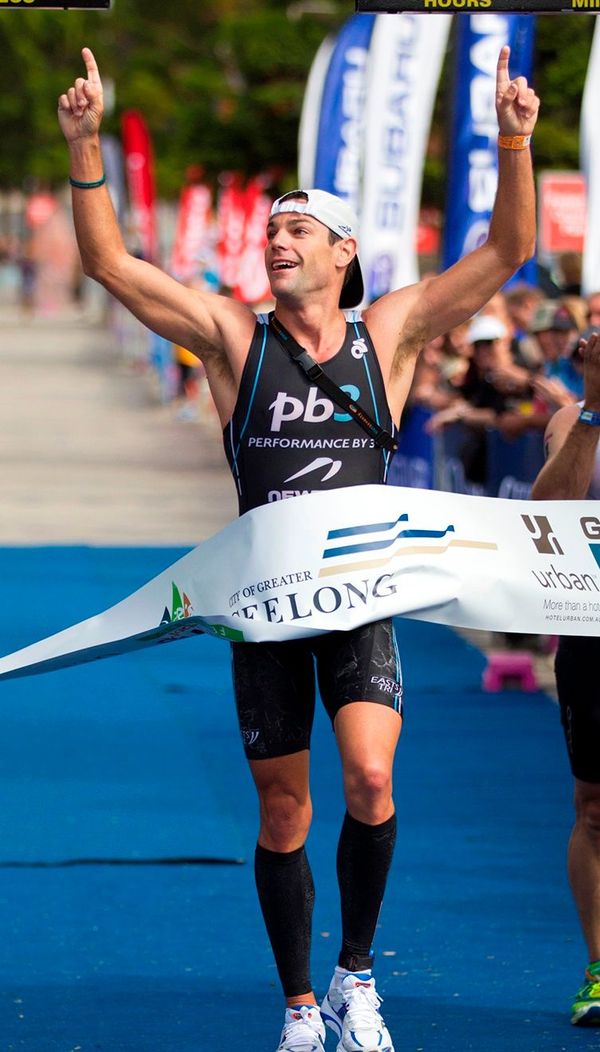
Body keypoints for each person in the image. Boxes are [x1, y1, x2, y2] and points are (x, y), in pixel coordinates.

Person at [58, 45, 539, 1052]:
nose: (276, 242)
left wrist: (516, 139)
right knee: (285, 808)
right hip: (265, 601)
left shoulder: (391, 335)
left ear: (342, 253)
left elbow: (502, 254)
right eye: (271, 230)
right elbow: (111, 265)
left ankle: (356, 976)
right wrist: (86, 144)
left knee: (371, 779)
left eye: (296, 230)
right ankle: (295, 1007)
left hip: (359, 598)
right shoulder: (236, 339)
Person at [531, 331, 600, 1028]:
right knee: (594, 808)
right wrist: (595, 411)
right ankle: (599, 970)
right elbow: (546, 512)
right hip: (593, 629)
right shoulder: (573, 419)